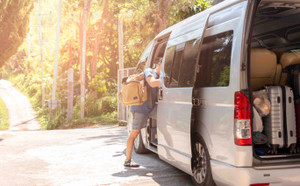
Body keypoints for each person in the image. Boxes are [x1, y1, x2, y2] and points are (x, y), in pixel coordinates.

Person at [124, 58, 162, 167]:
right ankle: (127, 160)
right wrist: (166, 81)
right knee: (134, 134)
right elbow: (152, 83)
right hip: (140, 109)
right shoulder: (149, 71)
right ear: (159, 63)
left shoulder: (159, 76)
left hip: (151, 108)